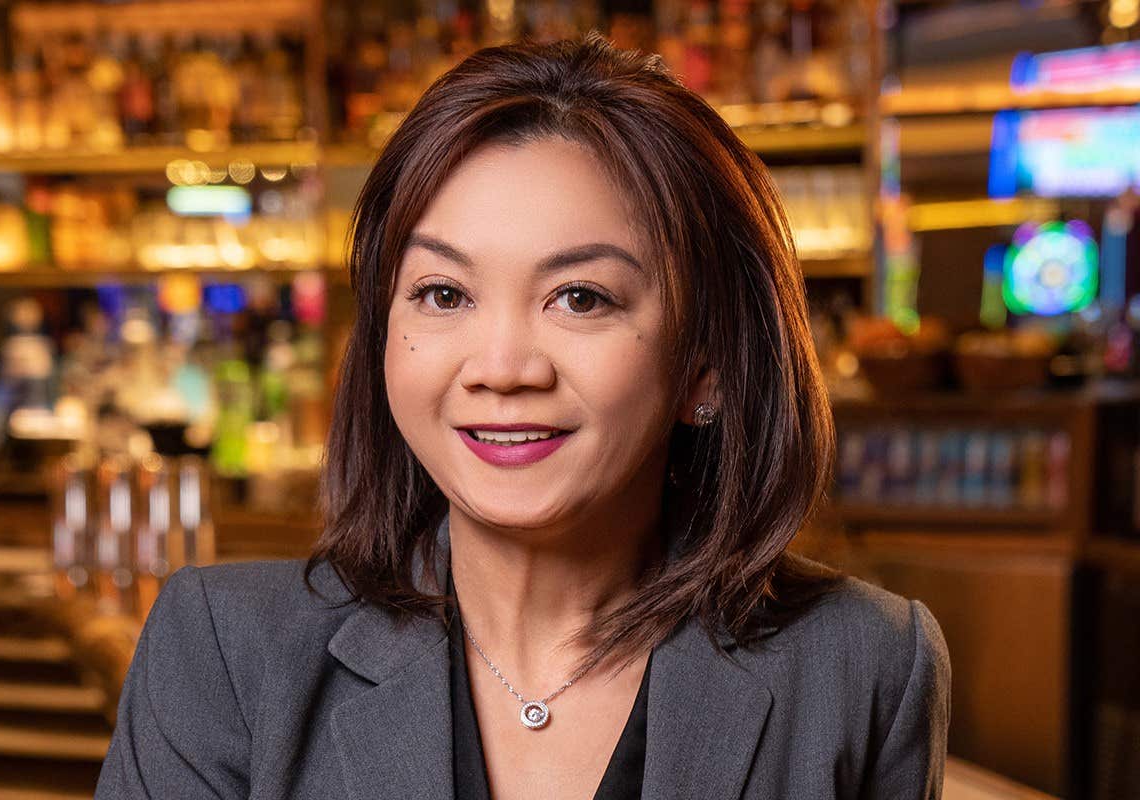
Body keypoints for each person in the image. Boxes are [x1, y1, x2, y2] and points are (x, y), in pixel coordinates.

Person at [95, 31, 950, 800]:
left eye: (580, 297)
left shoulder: (863, 664)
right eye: (443, 293)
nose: (501, 370)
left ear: (709, 366)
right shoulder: (226, 651)